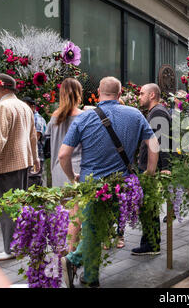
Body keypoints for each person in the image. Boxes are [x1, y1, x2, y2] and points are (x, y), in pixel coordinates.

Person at [60, 76, 159, 288]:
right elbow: (154, 144)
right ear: (120, 93)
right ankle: (86, 272)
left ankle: (81, 266)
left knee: (94, 228)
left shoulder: (84, 118)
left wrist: (71, 177)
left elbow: (63, 155)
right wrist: (149, 172)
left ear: (98, 91)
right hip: (121, 186)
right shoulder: (135, 114)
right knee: (100, 228)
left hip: (90, 185)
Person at [0, 73, 39, 261]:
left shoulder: (2, 107)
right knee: (17, 206)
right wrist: (35, 159)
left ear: (3, 88)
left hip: (5, 165)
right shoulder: (23, 106)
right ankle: (20, 245)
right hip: (22, 163)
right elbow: (32, 136)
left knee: (7, 209)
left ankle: (10, 249)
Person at [131, 83, 172, 255]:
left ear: (152, 95)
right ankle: (150, 243)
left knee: (149, 206)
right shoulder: (155, 112)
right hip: (149, 166)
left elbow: (163, 141)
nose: (139, 97)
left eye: (142, 93)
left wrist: (166, 166)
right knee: (149, 206)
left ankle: (151, 245)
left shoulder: (159, 112)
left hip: (151, 168)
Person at [45, 77, 83, 253]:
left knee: (61, 213)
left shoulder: (54, 118)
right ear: (79, 94)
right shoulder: (83, 117)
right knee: (76, 216)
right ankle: (71, 252)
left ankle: (61, 247)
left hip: (57, 169)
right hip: (76, 169)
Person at [22, 97, 47, 187]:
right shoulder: (29, 118)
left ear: (32, 107)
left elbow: (35, 138)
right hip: (29, 157)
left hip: (36, 156)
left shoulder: (37, 119)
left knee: (33, 182)